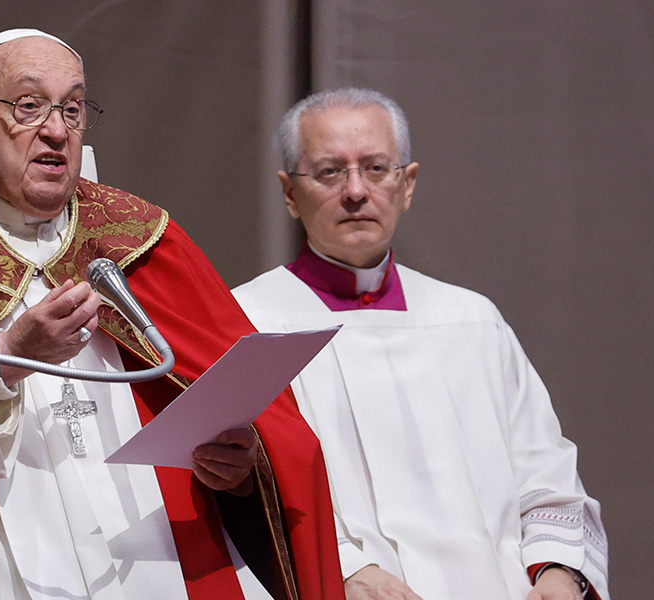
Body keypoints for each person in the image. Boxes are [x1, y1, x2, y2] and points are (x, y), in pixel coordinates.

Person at [0, 29, 344, 600]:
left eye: (72, 109)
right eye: (28, 106)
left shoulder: (139, 235)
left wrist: (238, 467)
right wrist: (4, 359)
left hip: (161, 548)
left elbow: (255, 417)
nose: (55, 130)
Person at [232, 87, 610, 600]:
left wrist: (558, 574)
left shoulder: (469, 320)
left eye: (376, 168)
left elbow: (546, 474)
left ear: (407, 185)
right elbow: (244, 489)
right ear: (289, 194)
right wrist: (342, 569)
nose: (356, 191)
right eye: (328, 171)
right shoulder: (249, 320)